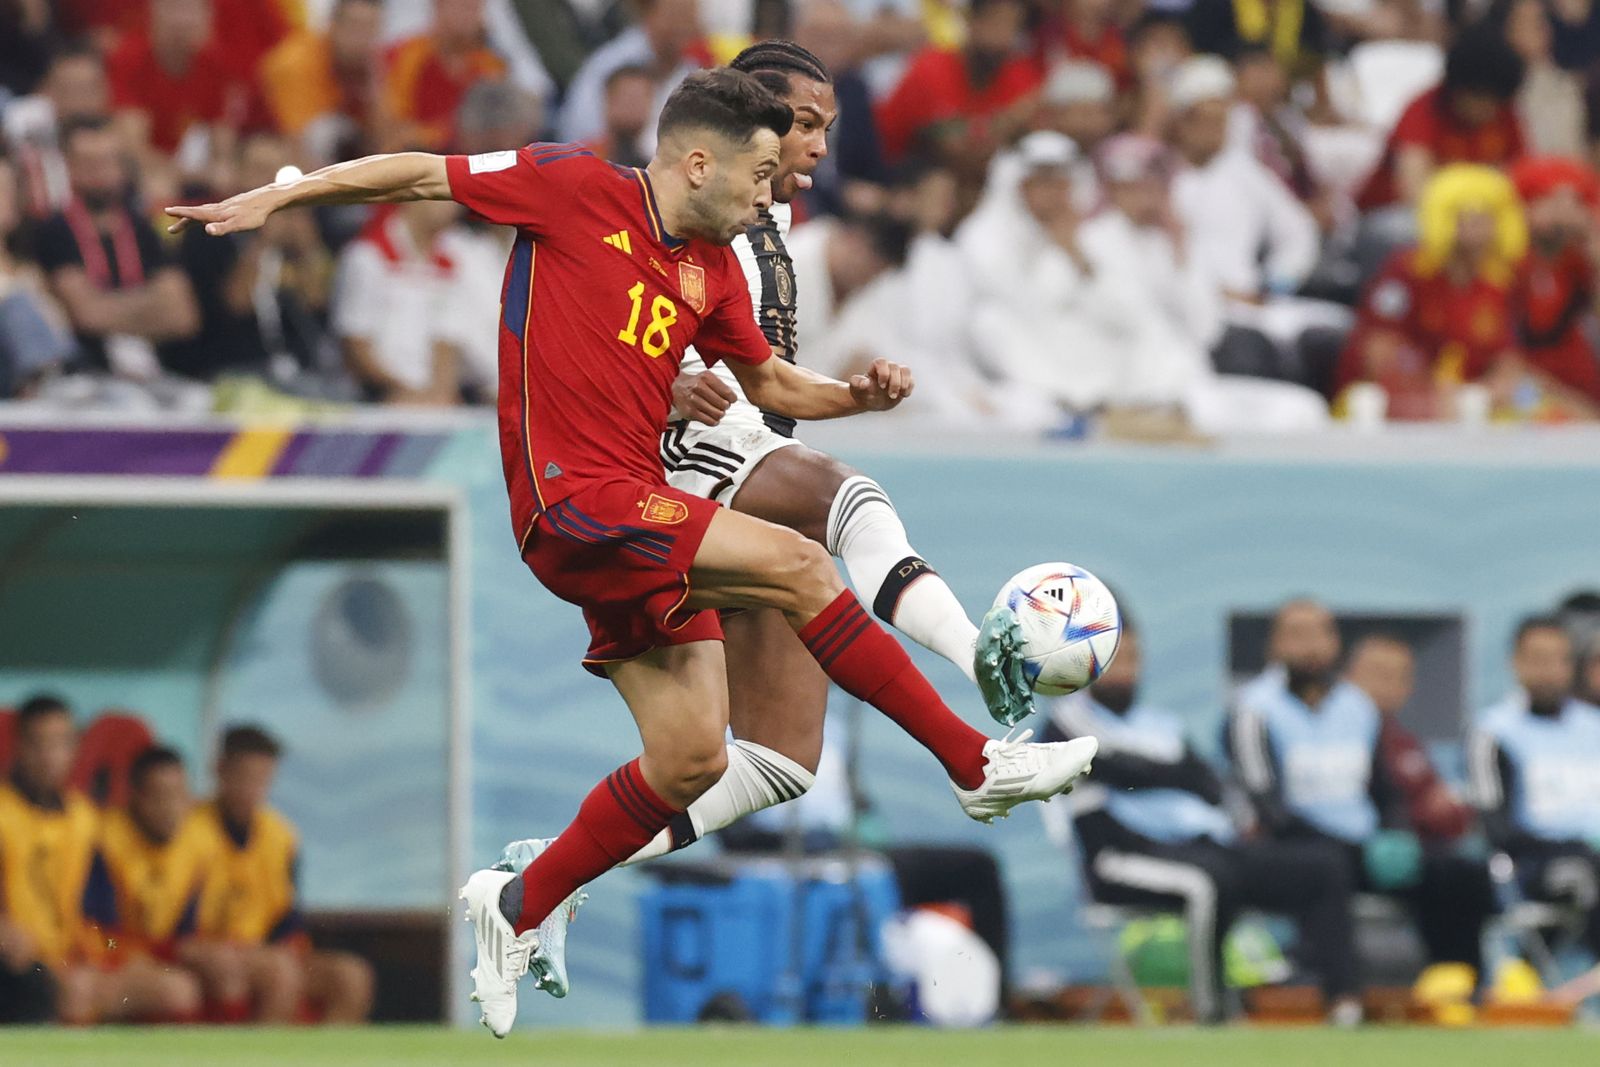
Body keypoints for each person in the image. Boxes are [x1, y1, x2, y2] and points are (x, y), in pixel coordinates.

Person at [167, 68, 1098, 1036]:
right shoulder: (571, 187)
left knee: (693, 754)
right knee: (803, 563)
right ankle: (973, 759)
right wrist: (288, 191)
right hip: (578, 500)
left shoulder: (714, 267)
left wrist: (856, 396)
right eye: (756, 176)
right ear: (698, 161)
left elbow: (769, 376)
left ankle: (519, 901)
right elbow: (418, 176)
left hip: (626, 522)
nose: (764, 198)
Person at [1046, 621, 1362, 1025]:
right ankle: (1214, 1012)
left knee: (1321, 866)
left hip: (1201, 844)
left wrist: (1165, 772)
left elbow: (1208, 781)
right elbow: (1118, 767)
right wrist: (1172, 772)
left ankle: (1342, 1002)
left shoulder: (1161, 724)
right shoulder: (1068, 719)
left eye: (1132, 658)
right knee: (1209, 881)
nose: (1125, 669)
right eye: (1112, 658)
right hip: (1121, 855)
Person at [1227, 600, 1498, 980]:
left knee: (1459, 872)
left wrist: (1397, 835)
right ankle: (1341, 997)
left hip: (1365, 849)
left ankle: (1458, 986)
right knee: (1327, 869)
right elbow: (1268, 809)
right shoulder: (1252, 711)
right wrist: (1357, 849)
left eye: (1320, 633)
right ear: (1275, 647)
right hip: (1292, 849)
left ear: (1335, 642)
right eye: (1297, 635)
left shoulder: (1357, 707)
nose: (1310, 646)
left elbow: (1385, 791)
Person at [0, 696, 201, 1024]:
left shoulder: (86, 819)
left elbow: (100, 916)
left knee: (178, 988)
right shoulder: (3, 812)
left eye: (60, 744)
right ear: (20, 747)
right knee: (75, 990)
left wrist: (116, 951)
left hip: (79, 958)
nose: (50, 756)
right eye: (40, 744)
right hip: (23, 964)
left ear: (74, 748)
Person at [193, 725, 375, 1023]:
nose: (253, 790)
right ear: (220, 771)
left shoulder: (281, 836)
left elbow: (287, 915)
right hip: (215, 952)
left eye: (263, 780)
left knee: (352, 976)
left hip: (268, 952)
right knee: (280, 974)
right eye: (245, 777)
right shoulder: (191, 830)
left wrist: (287, 946)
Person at [1337, 165, 1523, 419]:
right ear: (1443, 217)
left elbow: (1506, 355)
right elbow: (1379, 348)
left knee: (1528, 408)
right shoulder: (1406, 272)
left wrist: (1498, 386)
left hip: (1470, 399)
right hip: (1397, 395)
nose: (1480, 228)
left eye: (1488, 217)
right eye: (1468, 217)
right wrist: (1429, 392)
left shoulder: (1499, 281)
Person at [87, 745, 251, 1021]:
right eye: (159, 797)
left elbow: (189, 928)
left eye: (178, 796)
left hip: (163, 949)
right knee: (178, 990)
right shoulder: (106, 840)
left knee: (225, 968)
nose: (170, 808)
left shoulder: (198, 843)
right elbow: (98, 931)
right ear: (136, 797)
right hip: (112, 952)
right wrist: (136, 956)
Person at [1470, 618, 1600, 960]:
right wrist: (1573, 846)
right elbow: (1496, 827)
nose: (1548, 671)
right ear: (1516, 663)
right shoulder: (1495, 731)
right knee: (1582, 873)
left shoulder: (1593, 726)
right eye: (1537, 659)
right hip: (1537, 862)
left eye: (1558, 659)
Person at [33, 115, 200, 378]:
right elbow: (87, 315)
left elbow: (182, 315)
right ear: (69, 167)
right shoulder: (54, 230)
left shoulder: (143, 227)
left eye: (109, 161)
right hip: (85, 375)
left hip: (156, 374)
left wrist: (107, 307)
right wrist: (151, 303)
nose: (101, 172)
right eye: (89, 163)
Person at [1356, 27, 1527, 212]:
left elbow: (1519, 176)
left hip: (1474, 221)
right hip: (1393, 214)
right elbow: (1413, 192)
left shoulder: (1503, 114)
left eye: (1495, 102)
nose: (1487, 110)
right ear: (1458, 90)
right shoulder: (1423, 110)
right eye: (1480, 99)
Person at [332, 196, 473, 404]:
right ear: (412, 195)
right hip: (374, 396)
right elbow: (355, 345)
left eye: (454, 199)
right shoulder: (367, 256)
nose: (452, 206)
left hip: (426, 399)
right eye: (441, 196)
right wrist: (401, 391)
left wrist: (441, 392)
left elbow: (446, 341)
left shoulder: (450, 264)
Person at [1346, 634, 1473, 844]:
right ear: (1348, 677)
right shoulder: (1334, 739)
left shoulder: (1405, 743)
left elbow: (1450, 814)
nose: (1387, 685)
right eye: (1378, 673)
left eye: (1399, 676)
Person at [1507, 157, 1600, 412]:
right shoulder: (1509, 260)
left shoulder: (1579, 260)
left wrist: (1593, 246)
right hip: (1522, 376)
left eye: (1575, 202)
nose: (1564, 212)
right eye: (1553, 201)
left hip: (1575, 371)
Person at [558, 0, 705, 150]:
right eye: (677, 14)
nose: (685, 25)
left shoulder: (693, 69)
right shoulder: (611, 64)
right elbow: (578, 133)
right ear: (647, 12)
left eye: (691, 15)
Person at [258, 0, 388, 166]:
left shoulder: (373, 65)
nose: (362, 36)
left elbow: (388, 140)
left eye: (370, 27)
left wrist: (375, 92)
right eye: (354, 26)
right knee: (325, 133)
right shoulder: (296, 61)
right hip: (268, 144)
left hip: (340, 150)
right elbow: (297, 139)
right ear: (333, 25)